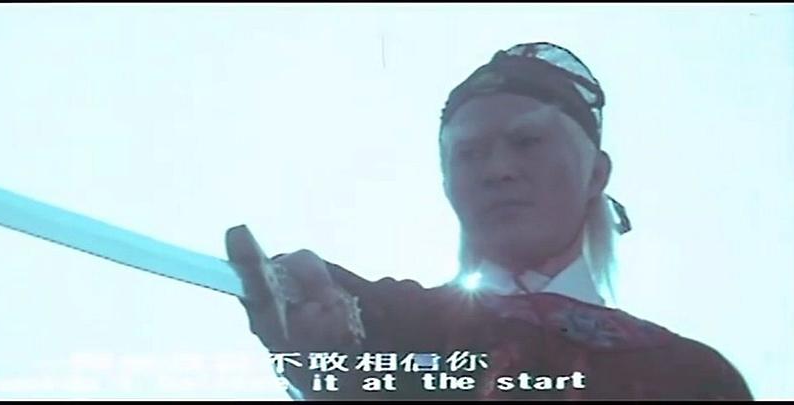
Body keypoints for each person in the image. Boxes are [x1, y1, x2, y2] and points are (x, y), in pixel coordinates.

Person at [226, 42, 753, 400]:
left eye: (527, 142)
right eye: (469, 154)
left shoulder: (689, 376)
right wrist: (329, 362)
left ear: (596, 173)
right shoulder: (397, 328)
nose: (497, 170)